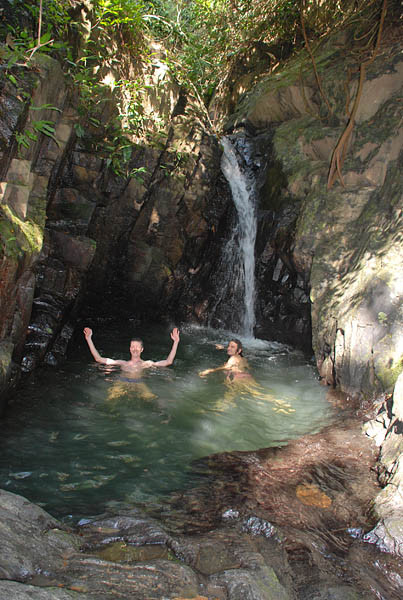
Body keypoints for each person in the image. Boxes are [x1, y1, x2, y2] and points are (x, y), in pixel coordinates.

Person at [83, 327, 180, 374]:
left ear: (142, 349)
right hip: (122, 383)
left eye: (137, 347)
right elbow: (98, 359)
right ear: (129, 349)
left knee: (153, 399)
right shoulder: (122, 363)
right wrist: (89, 339)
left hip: (139, 385)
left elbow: (168, 362)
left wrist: (175, 342)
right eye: (132, 346)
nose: (135, 349)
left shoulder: (147, 363)